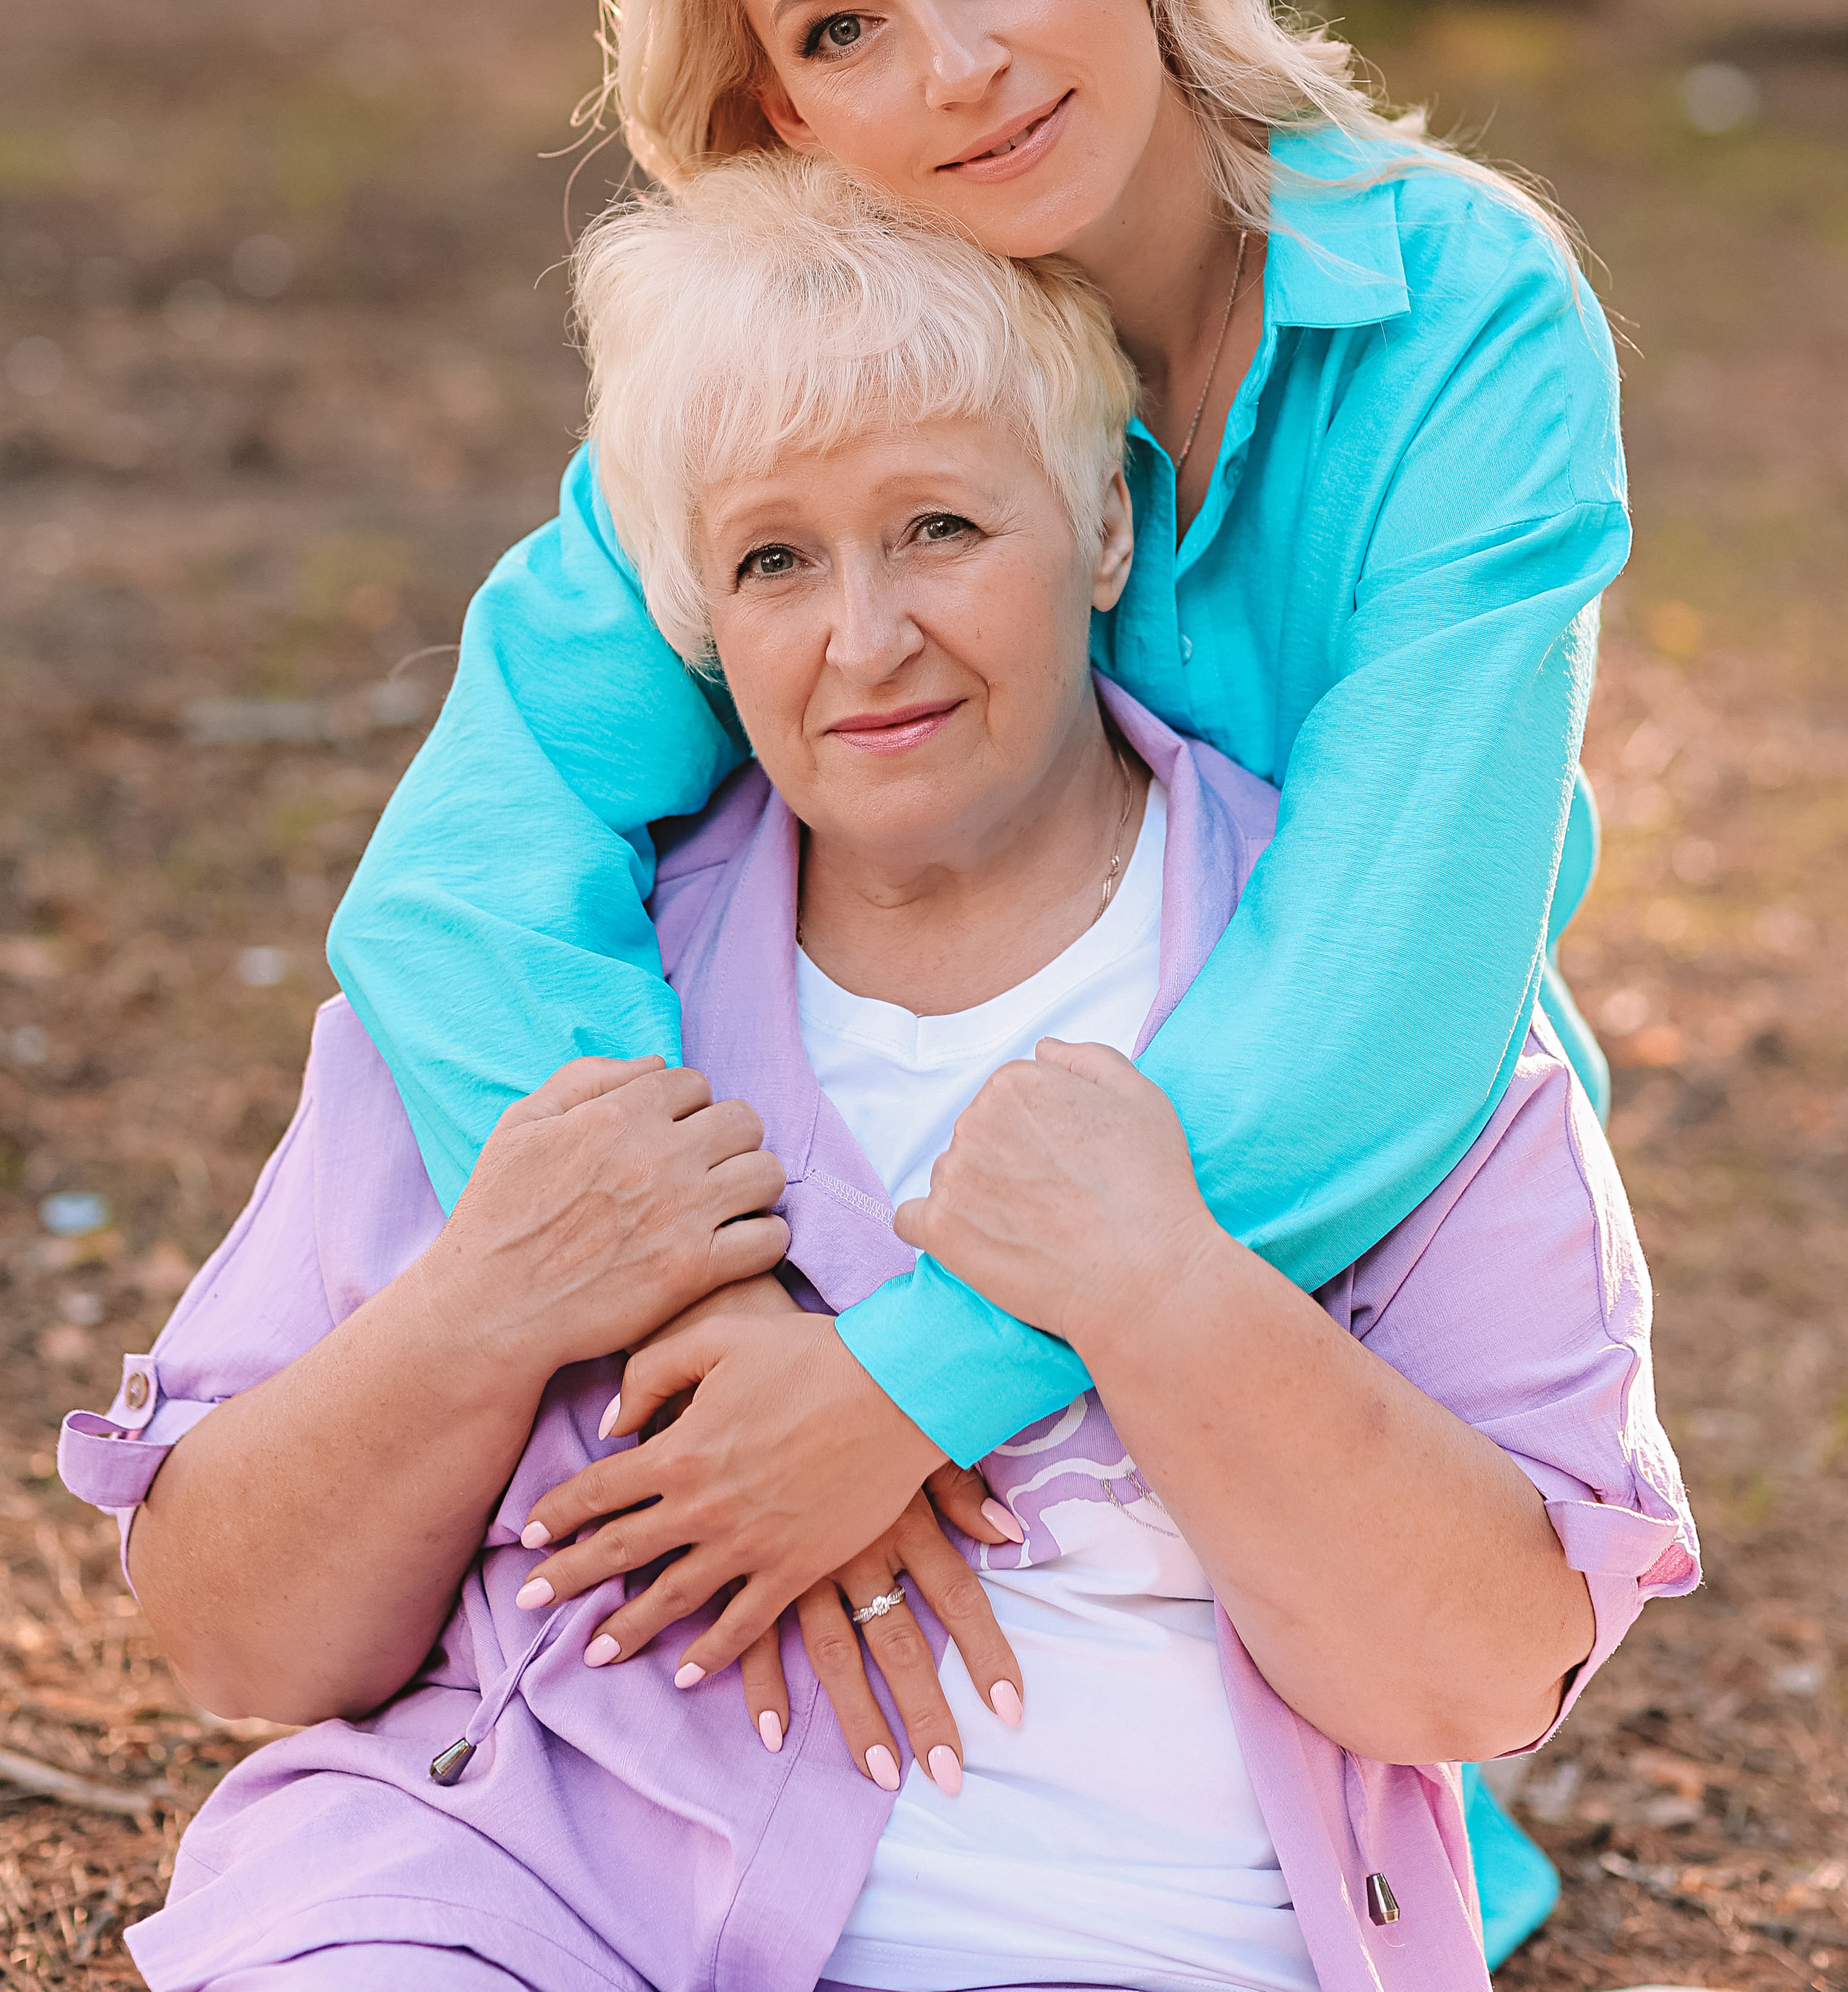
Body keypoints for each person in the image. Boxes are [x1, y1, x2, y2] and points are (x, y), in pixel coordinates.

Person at [326, 0, 1630, 1947]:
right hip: (856, 1160)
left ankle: (1303, 1755)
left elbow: (1386, 1002)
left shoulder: (1461, 321)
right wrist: (712, 1325)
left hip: (1343, 1226)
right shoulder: (823, 392)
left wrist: (896, 1396)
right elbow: (462, 883)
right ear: (776, 120)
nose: (957, 68)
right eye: (841, 30)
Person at [61, 163, 1694, 1992]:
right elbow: (236, 1645)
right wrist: (489, 1303)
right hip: (514, 1904)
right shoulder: (564, 1003)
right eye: (772, 559)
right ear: (692, 610)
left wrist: (1161, 1291)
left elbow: (1470, 1677)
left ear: (1100, 530)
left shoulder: (1354, 1005)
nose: (862, 638)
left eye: (936, 528)